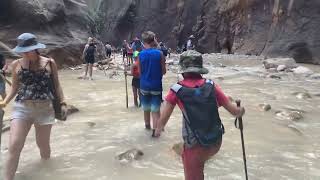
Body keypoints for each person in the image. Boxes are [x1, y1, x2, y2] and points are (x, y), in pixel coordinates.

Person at [154, 50, 245, 180]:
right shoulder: (211, 85)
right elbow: (235, 112)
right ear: (200, 70)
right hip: (216, 141)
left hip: (195, 146)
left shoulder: (177, 90)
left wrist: (157, 130)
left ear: (183, 70)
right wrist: (241, 110)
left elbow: (163, 118)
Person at [0, 33, 66, 180]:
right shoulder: (16, 64)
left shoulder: (50, 63)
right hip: (21, 108)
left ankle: (47, 172)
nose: (25, 53)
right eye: (22, 50)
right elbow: (15, 88)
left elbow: (57, 85)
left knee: (43, 146)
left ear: (36, 48)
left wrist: (63, 103)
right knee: (14, 145)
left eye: (28, 50)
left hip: (45, 109)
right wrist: (5, 102)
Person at [138, 31, 166, 135]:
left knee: (146, 108)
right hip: (156, 86)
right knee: (155, 110)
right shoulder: (160, 54)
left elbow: (140, 72)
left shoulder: (140, 54)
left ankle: (147, 127)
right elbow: (164, 71)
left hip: (144, 85)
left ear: (143, 41)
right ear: (154, 40)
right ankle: (155, 133)